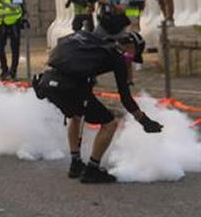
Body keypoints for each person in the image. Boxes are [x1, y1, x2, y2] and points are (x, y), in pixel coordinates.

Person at [33, 26, 162, 183]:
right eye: (132, 56)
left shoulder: (93, 42)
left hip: (47, 81)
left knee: (75, 114)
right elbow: (126, 98)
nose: (130, 61)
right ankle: (92, 170)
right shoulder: (117, 56)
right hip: (70, 87)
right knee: (110, 123)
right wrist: (145, 121)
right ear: (130, 47)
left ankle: (75, 163)